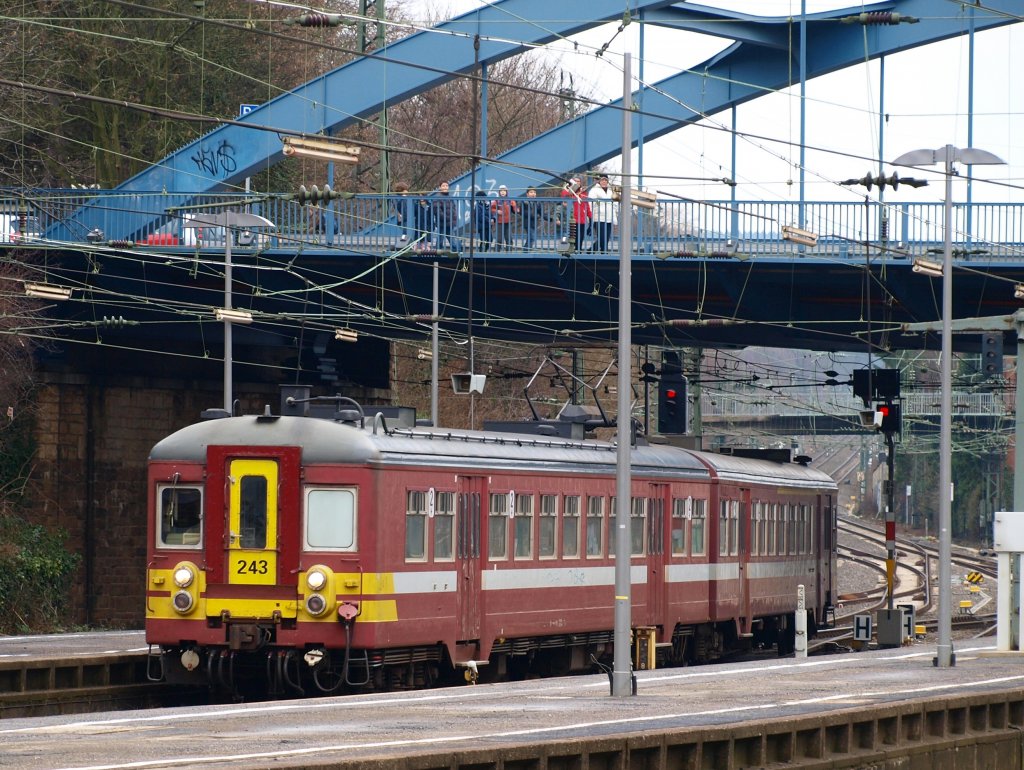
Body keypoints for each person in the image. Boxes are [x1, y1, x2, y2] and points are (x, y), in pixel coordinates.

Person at [560, 177, 591, 252]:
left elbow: (587, 207)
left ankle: (578, 251)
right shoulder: (569, 192)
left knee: (580, 238)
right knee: (570, 238)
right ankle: (566, 251)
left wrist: (590, 219)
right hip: (572, 220)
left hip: (582, 220)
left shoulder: (583, 193)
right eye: (575, 181)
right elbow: (564, 197)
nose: (577, 183)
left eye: (579, 181)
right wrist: (569, 188)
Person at [431, 180, 462, 252]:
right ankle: (438, 254)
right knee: (441, 240)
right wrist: (447, 218)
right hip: (442, 223)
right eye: (443, 186)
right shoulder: (437, 197)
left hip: (449, 223)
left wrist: (454, 217)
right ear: (440, 187)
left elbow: (454, 209)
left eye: (446, 186)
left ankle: (455, 253)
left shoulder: (450, 197)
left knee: (450, 239)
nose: (445, 187)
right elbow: (437, 211)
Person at [588, 174, 616, 252]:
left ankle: (593, 251)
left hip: (609, 217)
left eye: (605, 180)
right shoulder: (594, 190)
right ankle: (603, 252)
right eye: (602, 180)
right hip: (598, 217)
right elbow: (590, 203)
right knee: (601, 238)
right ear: (599, 181)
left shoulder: (610, 191)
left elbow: (614, 203)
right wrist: (590, 217)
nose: (604, 182)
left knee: (606, 238)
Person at [490, 184, 519, 251]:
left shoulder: (510, 200)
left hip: (508, 222)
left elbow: (515, 209)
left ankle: (509, 252)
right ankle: (497, 253)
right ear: (499, 192)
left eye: (504, 191)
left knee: (508, 238)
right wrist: (497, 211)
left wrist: (516, 208)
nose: (503, 192)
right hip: (499, 222)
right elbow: (491, 209)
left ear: (506, 192)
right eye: (501, 191)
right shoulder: (497, 200)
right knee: (499, 239)